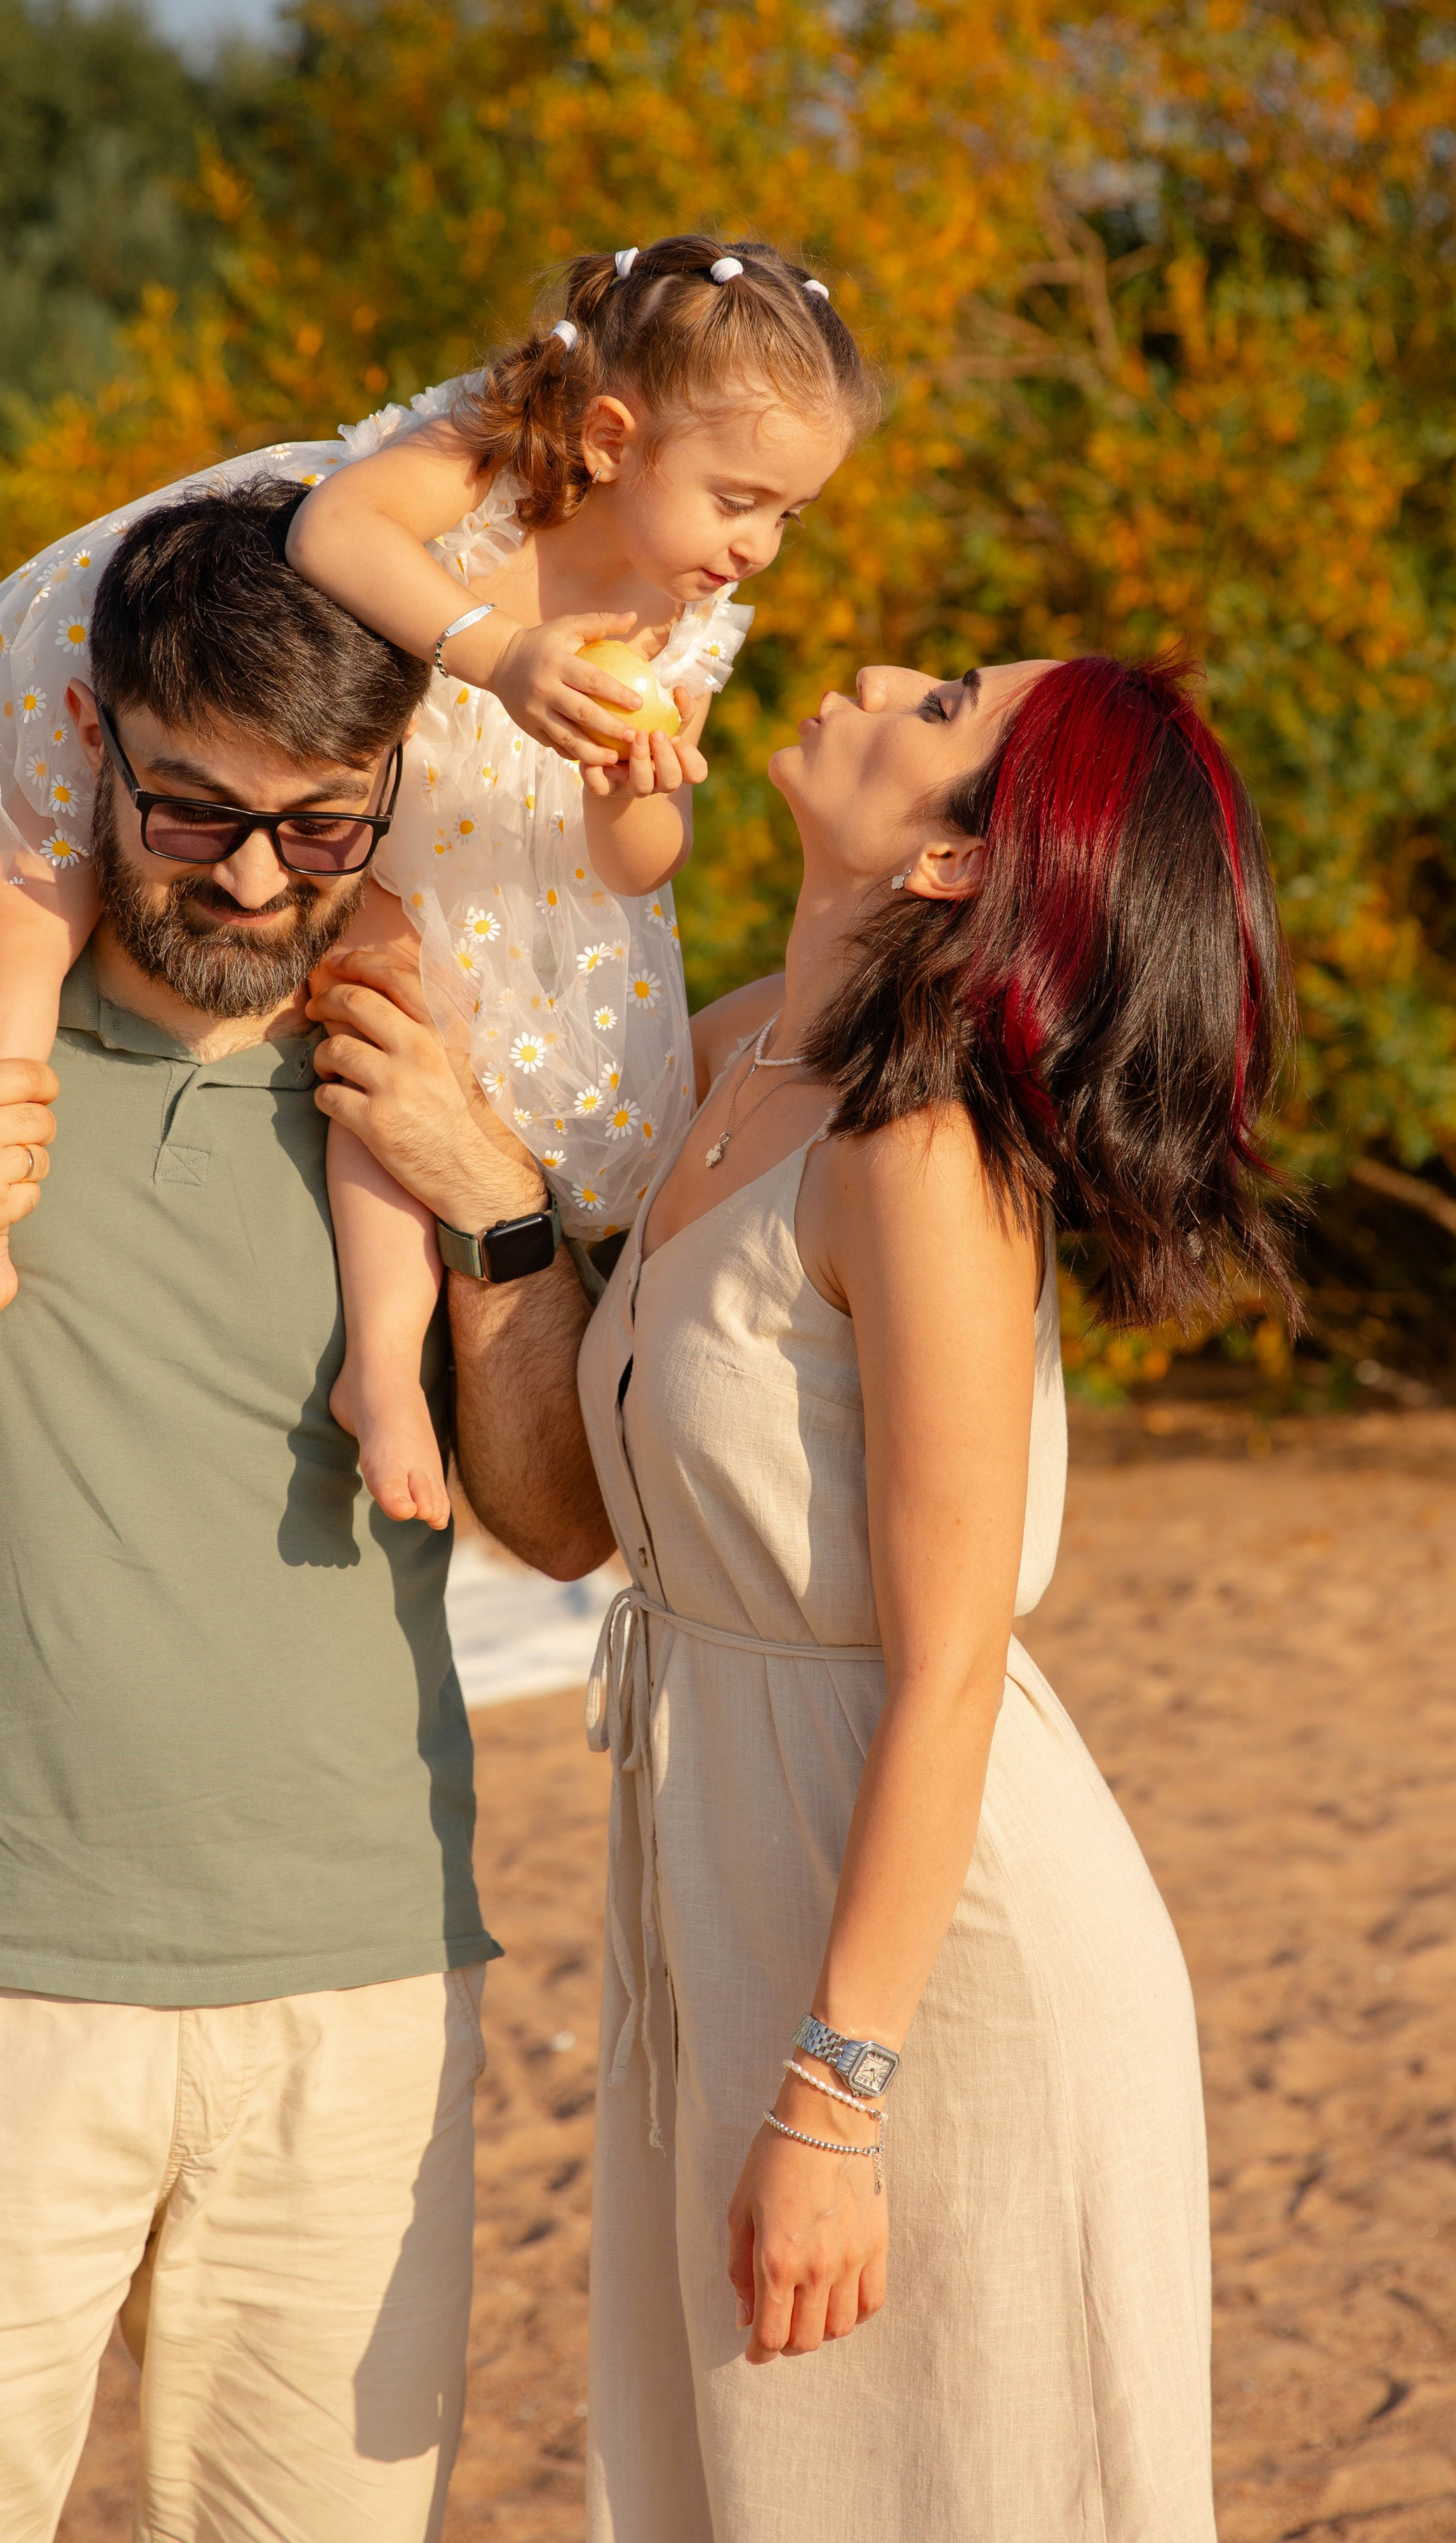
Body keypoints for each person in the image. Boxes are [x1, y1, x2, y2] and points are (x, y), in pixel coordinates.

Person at [0, 480, 606, 2543]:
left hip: (359, 2014)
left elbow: (558, 1523)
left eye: (322, 824)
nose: (256, 876)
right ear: (92, 734)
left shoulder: (454, 1061)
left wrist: (497, 1208)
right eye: (194, 810)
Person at [547, 653, 1288, 2537]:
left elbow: (952, 1665)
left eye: (944, 701)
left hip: (925, 1959)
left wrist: (835, 2090)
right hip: (728, 1863)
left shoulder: (922, 1153)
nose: (876, 669)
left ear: (964, 865)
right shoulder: (736, 1060)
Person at [0, 235, 878, 1529]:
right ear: (612, 434)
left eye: (790, 515)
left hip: (393, 821)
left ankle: (381, 1366)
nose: (759, 543)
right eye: (738, 497)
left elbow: (631, 871)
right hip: (256, 706)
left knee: (385, 1029)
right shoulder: (503, 440)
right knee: (19, 901)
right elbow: (340, 530)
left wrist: (633, 790)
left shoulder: (687, 614)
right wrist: (504, 657)